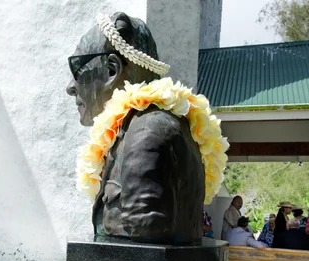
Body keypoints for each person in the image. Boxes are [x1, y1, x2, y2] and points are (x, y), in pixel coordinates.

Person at [66, 12, 210, 245]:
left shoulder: (147, 134)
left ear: (112, 70)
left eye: (77, 69)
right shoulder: (156, 124)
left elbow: (146, 231)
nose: (70, 87)